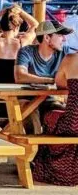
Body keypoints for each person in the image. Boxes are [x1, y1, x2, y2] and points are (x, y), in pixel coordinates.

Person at [31, 51, 78, 185]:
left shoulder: (71, 58)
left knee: (50, 116)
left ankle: (47, 166)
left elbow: (60, 83)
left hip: (74, 122)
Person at [0, 5, 37, 84]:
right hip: (14, 81)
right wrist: (21, 12)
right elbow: (35, 24)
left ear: (1, 27)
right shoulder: (23, 42)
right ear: (17, 28)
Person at [14, 18, 72, 85]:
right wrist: (53, 80)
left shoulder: (65, 52)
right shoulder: (26, 51)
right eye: (60, 35)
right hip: (30, 95)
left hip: (55, 95)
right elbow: (19, 77)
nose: (64, 39)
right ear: (47, 38)